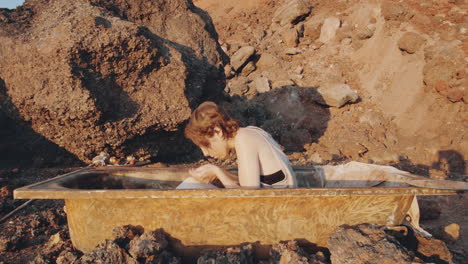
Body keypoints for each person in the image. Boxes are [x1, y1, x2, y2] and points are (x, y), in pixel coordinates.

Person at [179, 101, 297, 189]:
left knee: (189, 187)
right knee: (192, 183)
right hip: (274, 203)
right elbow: (248, 184)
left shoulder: (244, 139)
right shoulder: (250, 132)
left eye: (206, 145)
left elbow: (246, 196)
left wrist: (217, 172)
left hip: (277, 209)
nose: (205, 153)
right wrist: (219, 173)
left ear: (217, 132)